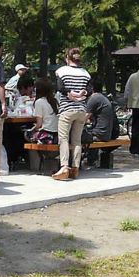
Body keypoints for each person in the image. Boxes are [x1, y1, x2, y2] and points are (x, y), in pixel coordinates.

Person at [53, 48, 90, 180]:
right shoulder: (86, 73)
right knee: (76, 140)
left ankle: (64, 167)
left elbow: (59, 88)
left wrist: (70, 93)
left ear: (67, 59)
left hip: (67, 109)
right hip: (81, 110)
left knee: (63, 139)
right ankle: (75, 167)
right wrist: (81, 94)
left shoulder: (61, 71)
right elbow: (89, 90)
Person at [85, 80, 120, 166]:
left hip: (100, 134)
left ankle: (75, 162)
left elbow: (84, 118)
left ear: (91, 88)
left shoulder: (94, 98)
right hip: (108, 133)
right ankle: (91, 159)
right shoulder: (102, 97)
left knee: (76, 137)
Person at [28, 77, 58, 144]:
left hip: (46, 135)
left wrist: (32, 129)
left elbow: (39, 124)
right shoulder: (55, 101)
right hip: (57, 135)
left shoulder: (39, 102)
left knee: (27, 136)